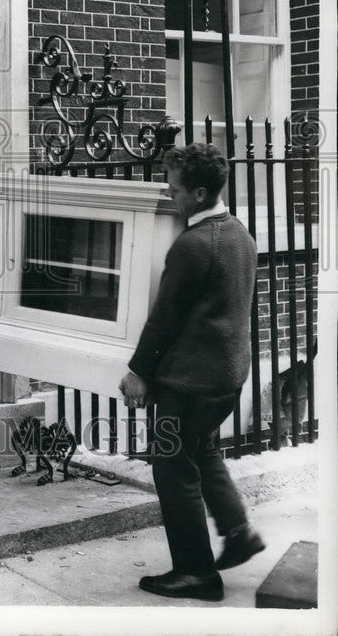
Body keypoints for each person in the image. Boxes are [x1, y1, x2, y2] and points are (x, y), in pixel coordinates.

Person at [119, 143, 264, 602]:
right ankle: (239, 533)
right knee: (201, 451)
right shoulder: (239, 233)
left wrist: (138, 372)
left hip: (188, 382)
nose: (168, 193)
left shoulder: (193, 245)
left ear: (199, 193)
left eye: (175, 187)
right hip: (226, 376)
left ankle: (196, 572)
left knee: (172, 468)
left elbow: (166, 318)